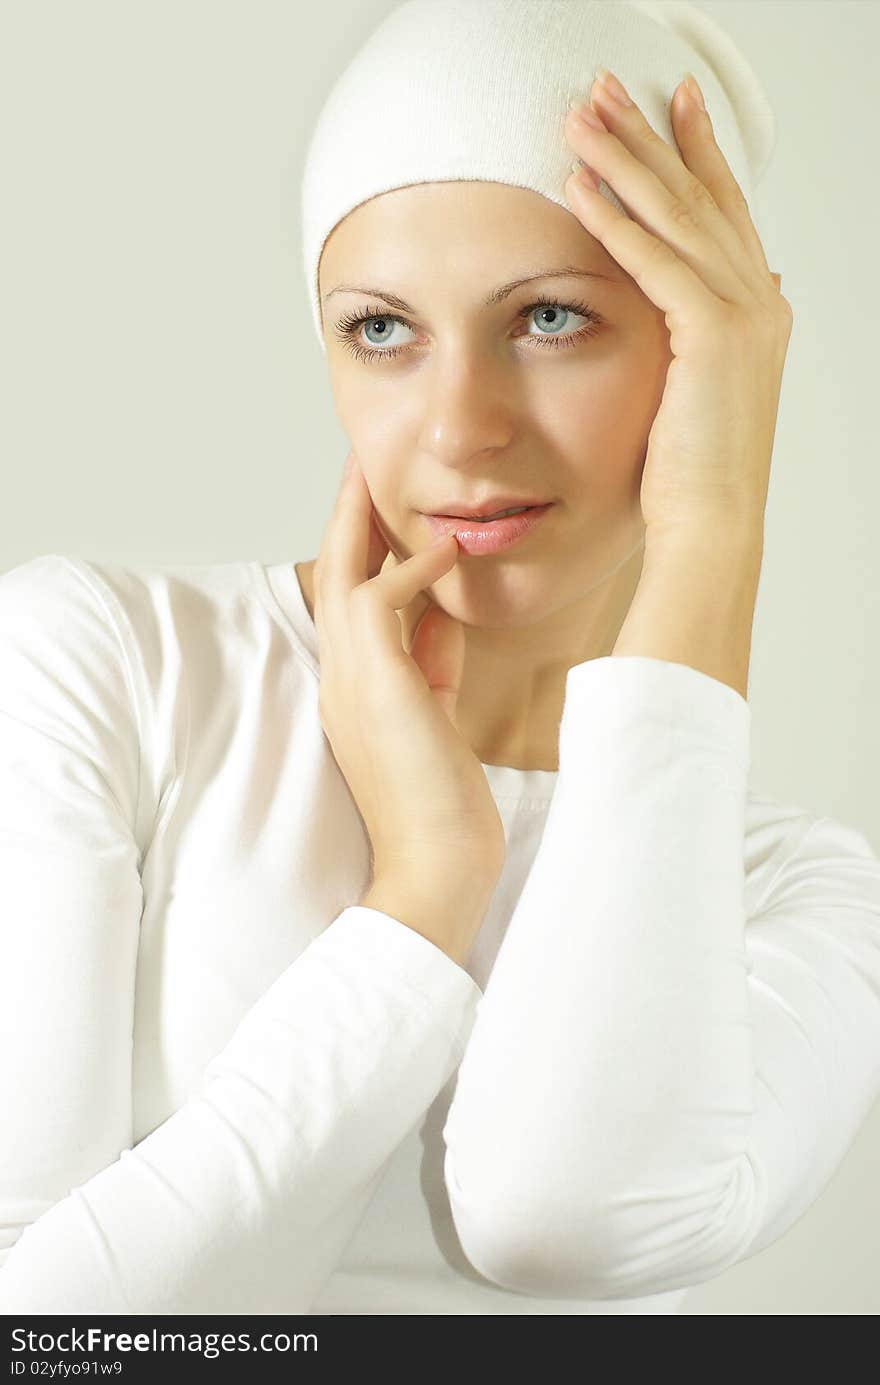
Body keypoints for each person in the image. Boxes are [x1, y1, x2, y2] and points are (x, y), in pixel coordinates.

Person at [1, 0, 878, 1318]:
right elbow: (55, 1332)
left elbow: (564, 1221)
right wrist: (424, 889)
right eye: (381, 330)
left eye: (551, 320)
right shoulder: (110, 661)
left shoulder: (792, 892)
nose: (460, 429)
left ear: (702, 354)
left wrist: (715, 531)